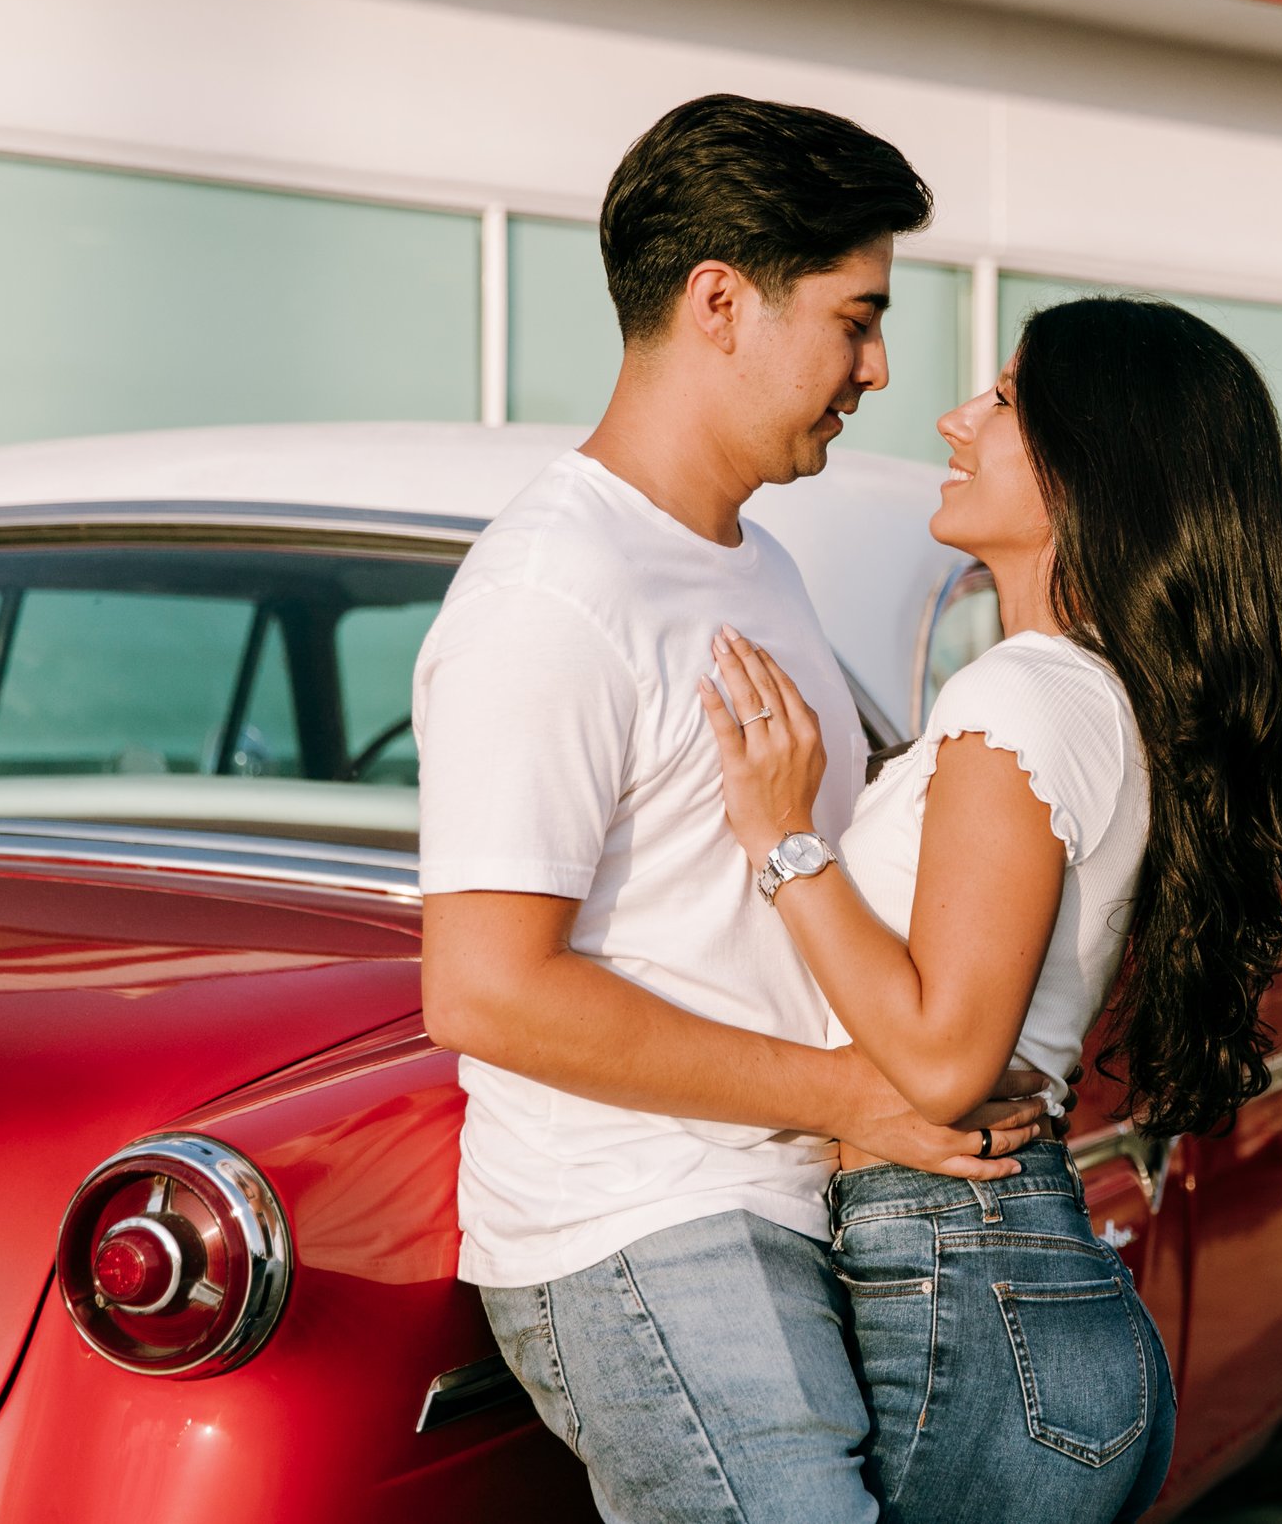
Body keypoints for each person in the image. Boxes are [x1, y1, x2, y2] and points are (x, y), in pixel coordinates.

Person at [415, 93, 1048, 1524]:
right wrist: (850, 1093)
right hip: (642, 1225)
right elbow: (486, 990)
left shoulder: (751, 559)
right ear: (719, 300)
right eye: (854, 316)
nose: (880, 367)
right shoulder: (551, 593)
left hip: (772, 1203)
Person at [699, 295, 1282, 1524]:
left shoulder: (1023, 696)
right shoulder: (1095, 692)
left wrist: (784, 841)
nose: (955, 416)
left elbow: (942, 1057)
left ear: (1097, 461)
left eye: (1003, 398)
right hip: (1014, 1286)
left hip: (958, 1282)